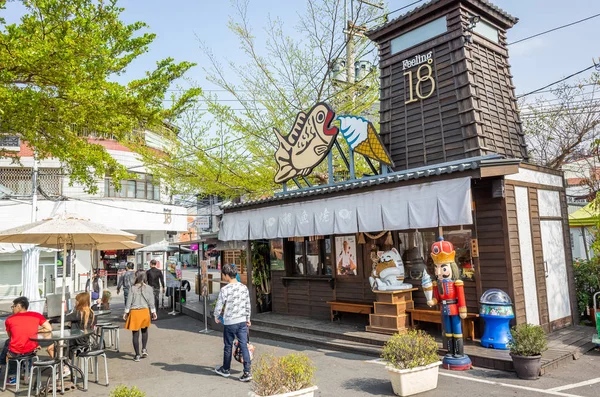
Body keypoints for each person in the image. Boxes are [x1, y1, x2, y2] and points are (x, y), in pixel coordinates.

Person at [1, 297, 52, 386]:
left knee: (9, 345)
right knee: (29, 349)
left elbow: (11, 336)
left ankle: (13, 377)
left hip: (15, 352)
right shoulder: (36, 315)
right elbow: (49, 328)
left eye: (13, 307)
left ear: (19, 306)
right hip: (30, 351)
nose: (12, 309)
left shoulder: (9, 319)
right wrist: (36, 331)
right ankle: (27, 373)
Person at [214, 264, 252, 382]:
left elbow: (219, 305)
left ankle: (226, 369)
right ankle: (247, 372)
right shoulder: (244, 288)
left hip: (230, 322)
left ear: (226, 275)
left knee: (228, 346)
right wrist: (248, 318)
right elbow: (247, 304)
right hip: (241, 321)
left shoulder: (225, 289)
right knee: (244, 345)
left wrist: (217, 316)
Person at [123, 270, 157, 362]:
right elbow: (151, 302)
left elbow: (129, 302)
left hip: (134, 312)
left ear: (137, 277)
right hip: (145, 311)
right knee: (145, 331)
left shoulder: (132, 288)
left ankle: (137, 355)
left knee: (135, 334)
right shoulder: (149, 288)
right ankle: (144, 349)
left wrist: (126, 312)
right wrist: (153, 312)